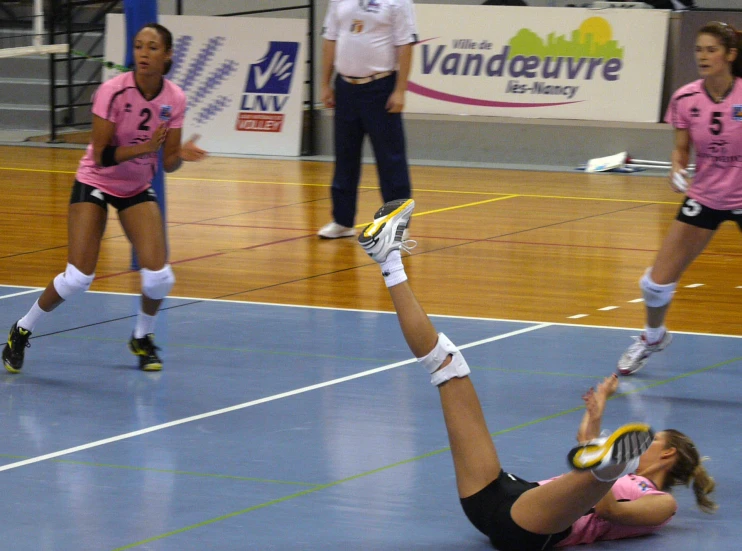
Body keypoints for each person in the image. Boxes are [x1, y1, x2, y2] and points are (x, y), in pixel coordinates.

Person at [357, 198, 717, 550]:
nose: (648, 440)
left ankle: (607, 464)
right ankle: (389, 259)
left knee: (598, 471)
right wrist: (596, 414)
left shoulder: (661, 504)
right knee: (447, 364)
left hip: (533, 529)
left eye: (654, 440)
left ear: (668, 455)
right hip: (499, 496)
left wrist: (609, 467)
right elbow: (583, 454)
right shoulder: (613, 473)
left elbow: (606, 510)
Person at [2, 23, 206, 374]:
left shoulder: (175, 98)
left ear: (168, 55)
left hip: (136, 186)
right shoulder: (113, 91)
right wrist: (146, 147)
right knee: (78, 277)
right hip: (96, 180)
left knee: (160, 277)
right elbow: (100, 156)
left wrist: (179, 155)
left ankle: (142, 337)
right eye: (139, 46)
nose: (143, 53)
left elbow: (167, 163)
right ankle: (22, 329)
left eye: (153, 47)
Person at [618, 22, 742, 375]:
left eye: (711, 50)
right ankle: (652, 336)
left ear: (730, 55)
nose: (702, 56)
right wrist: (677, 170)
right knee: (654, 284)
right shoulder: (686, 98)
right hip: (706, 195)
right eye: (698, 50)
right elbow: (681, 150)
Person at [317, 0, 416, 239]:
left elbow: (405, 44)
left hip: (380, 87)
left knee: (390, 159)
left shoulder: (398, 2)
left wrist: (400, 90)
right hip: (345, 87)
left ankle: (396, 225)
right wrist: (325, 84)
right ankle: (342, 220)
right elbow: (331, 39)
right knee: (345, 156)